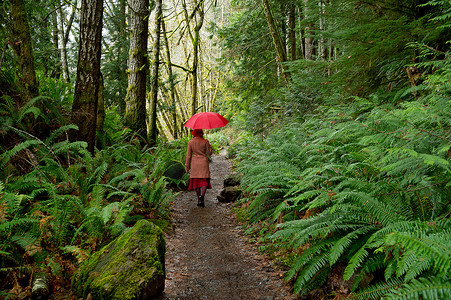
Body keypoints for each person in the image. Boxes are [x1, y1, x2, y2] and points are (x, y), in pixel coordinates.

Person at [185, 129, 213, 207]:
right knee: (203, 180)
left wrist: (187, 166)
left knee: (196, 182)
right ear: (201, 133)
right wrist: (209, 146)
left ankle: (198, 200)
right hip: (203, 162)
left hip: (195, 163)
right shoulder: (205, 141)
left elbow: (188, 156)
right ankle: (202, 196)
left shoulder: (190, 142)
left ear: (194, 133)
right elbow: (209, 153)